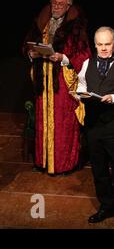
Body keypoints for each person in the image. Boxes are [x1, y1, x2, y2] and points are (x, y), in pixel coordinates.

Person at [23, 0, 91, 175]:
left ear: (68, 5)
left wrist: (64, 58)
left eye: (61, 4)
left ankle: (63, 164)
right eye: (54, 3)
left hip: (62, 82)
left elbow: (84, 55)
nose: (56, 7)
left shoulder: (76, 25)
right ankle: (43, 161)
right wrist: (31, 53)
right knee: (42, 121)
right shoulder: (42, 20)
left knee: (62, 124)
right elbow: (28, 42)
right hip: (42, 81)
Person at [75, 26, 114, 223]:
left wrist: (113, 97)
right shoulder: (87, 63)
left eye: (108, 44)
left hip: (112, 125)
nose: (104, 48)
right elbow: (81, 85)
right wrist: (81, 94)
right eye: (100, 44)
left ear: (113, 44)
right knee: (99, 170)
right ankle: (106, 206)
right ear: (95, 44)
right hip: (93, 126)